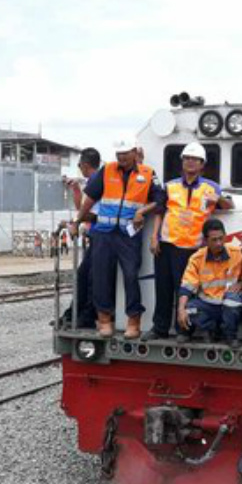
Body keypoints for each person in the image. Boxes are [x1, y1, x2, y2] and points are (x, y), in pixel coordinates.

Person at [75, 139, 165, 339]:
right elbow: (90, 197)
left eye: (125, 153)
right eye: (118, 154)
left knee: (131, 276)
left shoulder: (148, 173)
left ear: (134, 152)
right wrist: (77, 219)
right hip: (103, 233)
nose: (121, 157)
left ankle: (134, 321)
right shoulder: (106, 171)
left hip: (128, 235)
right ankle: (104, 321)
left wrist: (143, 210)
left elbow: (160, 200)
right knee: (100, 277)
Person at [144, 142, 233, 341]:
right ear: (182, 162)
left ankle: (184, 330)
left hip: (192, 247)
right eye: (187, 158)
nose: (190, 162)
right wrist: (154, 237)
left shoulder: (211, 187)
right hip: (166, 244)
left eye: (195, 159)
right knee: (163, 288)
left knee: (185, 290)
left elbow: (229, 204)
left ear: (202, 164)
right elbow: (160, 212)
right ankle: (159, 329)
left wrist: (217, 198)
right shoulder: (170, 185)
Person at [177, 219, 242, 348]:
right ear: (206, 241)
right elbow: (187, 287)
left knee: (232, 302)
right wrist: (180, 310)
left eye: (221, 238)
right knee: (188, 309)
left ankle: (230, 336)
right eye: (214, 240)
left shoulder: (236, 252)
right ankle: (212, 329)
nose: (218, 243)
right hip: (208, 304)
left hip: (228, 300)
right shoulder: (197, 258)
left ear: (225, 236)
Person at [60, 148, 102, 328]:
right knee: (84, 276)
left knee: (90, 278)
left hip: (99, 235)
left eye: (79, 165)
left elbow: (90, 214)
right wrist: (76, 189)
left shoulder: (97, 182)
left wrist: (75, 222)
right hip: (94, 235)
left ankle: (84, 315)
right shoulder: (93, 182)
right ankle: (74, 313)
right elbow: (82, 209)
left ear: (85, 165)